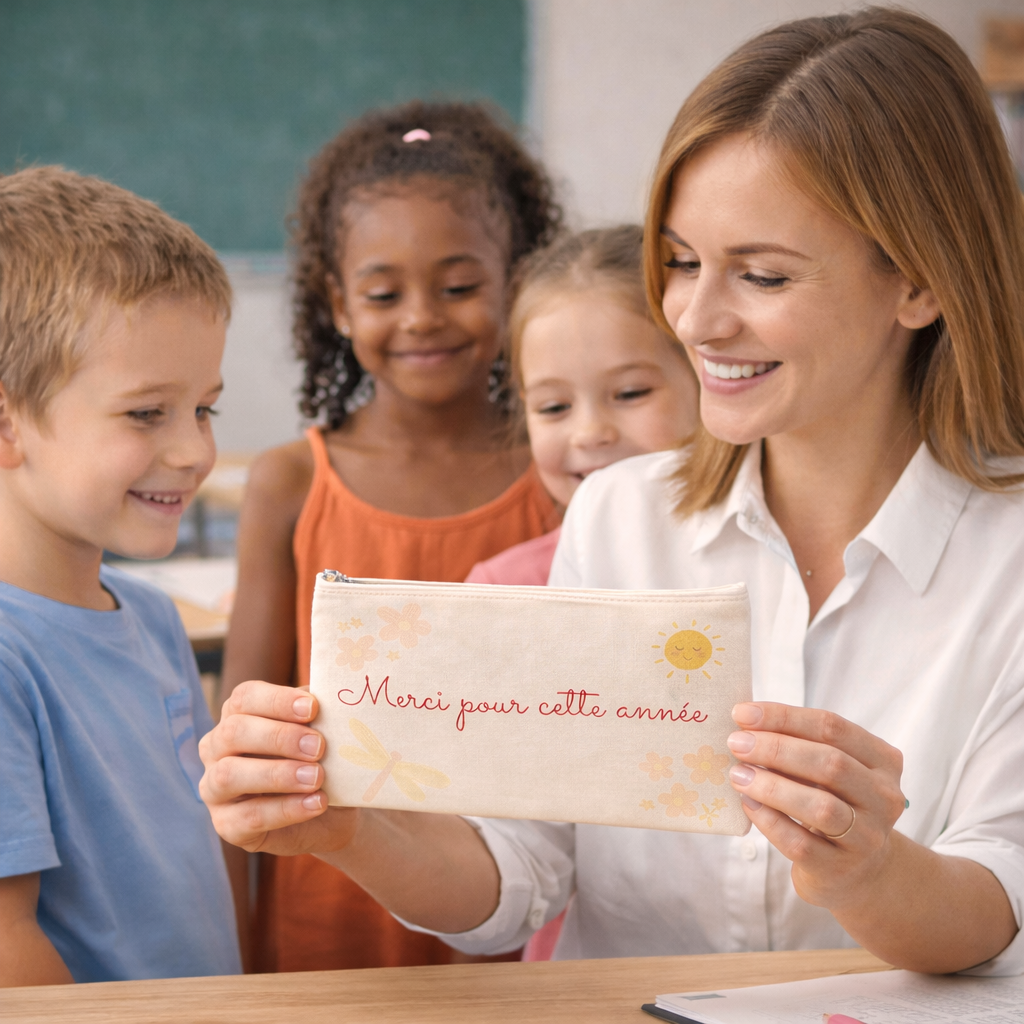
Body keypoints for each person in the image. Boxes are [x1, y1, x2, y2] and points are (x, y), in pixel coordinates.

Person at [199, 8, 1024, 975]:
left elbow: (996, 903)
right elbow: (522, 871)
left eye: (761, 275)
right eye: (679, 263)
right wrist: (344, 826)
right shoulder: (623, 516)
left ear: (919, 284)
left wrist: (868, 871)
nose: (694, 318)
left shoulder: (1004, 556)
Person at [222, 100, 562, 973]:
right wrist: (227, 943)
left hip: (516, 895)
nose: (420, 318)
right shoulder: (291, 485)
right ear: (337, 304)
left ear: (516, 283)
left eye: (457, 286)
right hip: (332, 890)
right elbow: (245, 733)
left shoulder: (564, 479)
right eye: (383, 293)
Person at [0, 167, 241, 985]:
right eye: (147, 413)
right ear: (8, 423)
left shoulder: (152, 616)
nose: (194, 451)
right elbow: (7, 953)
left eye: (205, 409)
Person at [464, 225, 698, 591]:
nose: (589, 433)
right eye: (554, 407)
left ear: (708, 381)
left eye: (630, 393)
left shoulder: (767, 561)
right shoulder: (503, 591)